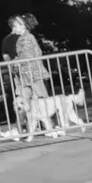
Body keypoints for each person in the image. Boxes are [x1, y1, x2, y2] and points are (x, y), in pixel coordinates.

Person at [10, 14, 56, 142]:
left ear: (23, 25)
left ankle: (51, 126)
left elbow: (32, 55)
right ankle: (21, 129)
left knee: (43, 101)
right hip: (26, 76)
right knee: (24, 103)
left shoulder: (28, 38)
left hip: (33, 75)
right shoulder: (21, 39)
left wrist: (18, 62)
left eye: (15, 25)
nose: (13, 27)